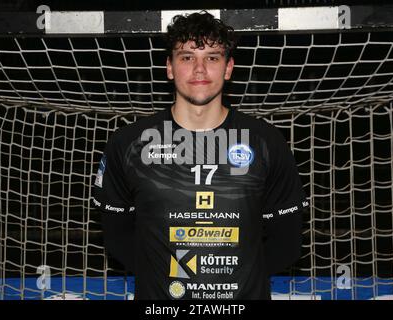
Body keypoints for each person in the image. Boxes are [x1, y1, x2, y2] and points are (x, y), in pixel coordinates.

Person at [93, 11, 309, 300]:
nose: (199, 69)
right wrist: (161, 277)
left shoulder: (265, 141)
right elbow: (117, 236)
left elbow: (287, 241)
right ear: (169, 67)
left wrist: (240, 279)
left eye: (212, 57)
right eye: (186, 57)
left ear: (228, 67)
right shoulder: (129, 143)